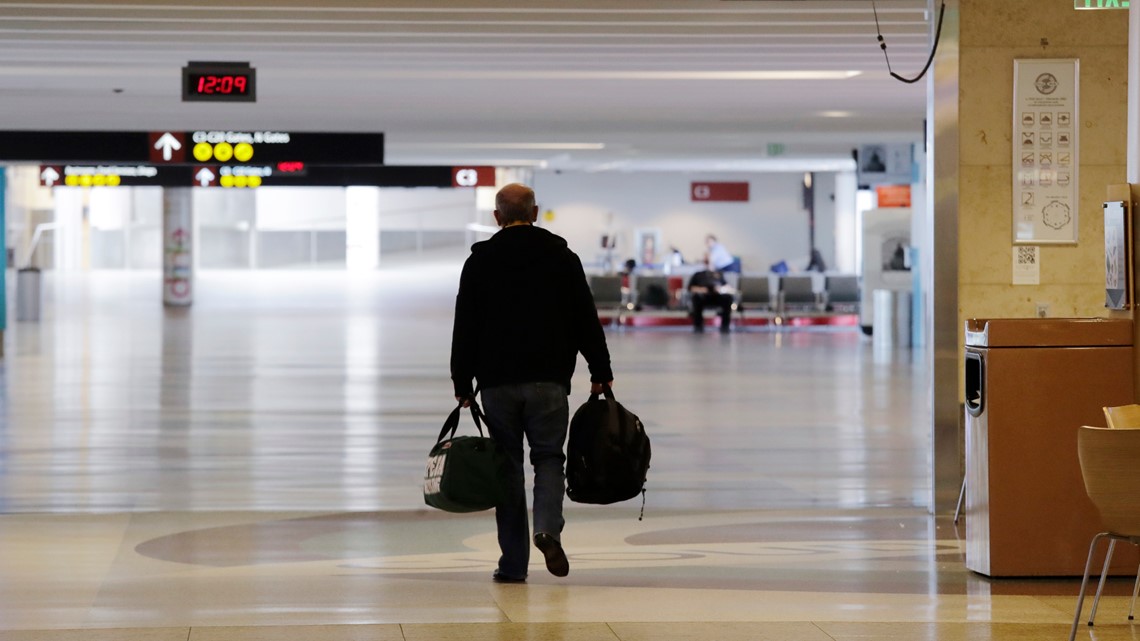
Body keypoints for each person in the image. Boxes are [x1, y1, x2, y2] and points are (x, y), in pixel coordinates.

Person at [450, 183, 614, 584]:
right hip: (549, 381)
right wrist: (600, 369)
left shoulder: (481, 261)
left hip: (497, 382)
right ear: (535, 212)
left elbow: (465, 325)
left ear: (496, 217)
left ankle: (512, 565)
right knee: (548, 459)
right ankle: (547, 529)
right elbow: (584, 319)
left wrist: (462, 380)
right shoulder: (562, 257)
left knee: (507, 468)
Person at [688, 259, 735, 334]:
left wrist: (720, 289)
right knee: (696, 298)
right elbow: (691, 288)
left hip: (717, 296)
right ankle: (698, 326)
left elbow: (727, 286)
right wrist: (702, 289)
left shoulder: (719, 274)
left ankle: (725, 326)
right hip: (703, 297)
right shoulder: (698, 275)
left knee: (728, 298)